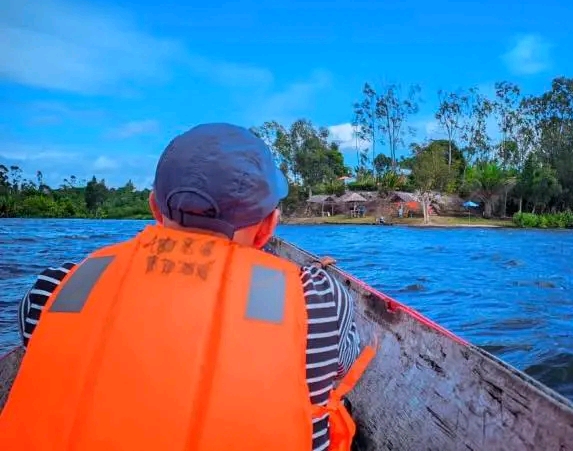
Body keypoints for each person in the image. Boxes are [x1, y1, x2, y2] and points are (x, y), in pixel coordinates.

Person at [3, 123, 375, 451]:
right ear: (268, 227)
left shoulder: (54, 287)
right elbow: (340, 369)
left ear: (153, 207)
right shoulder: (315, 296)